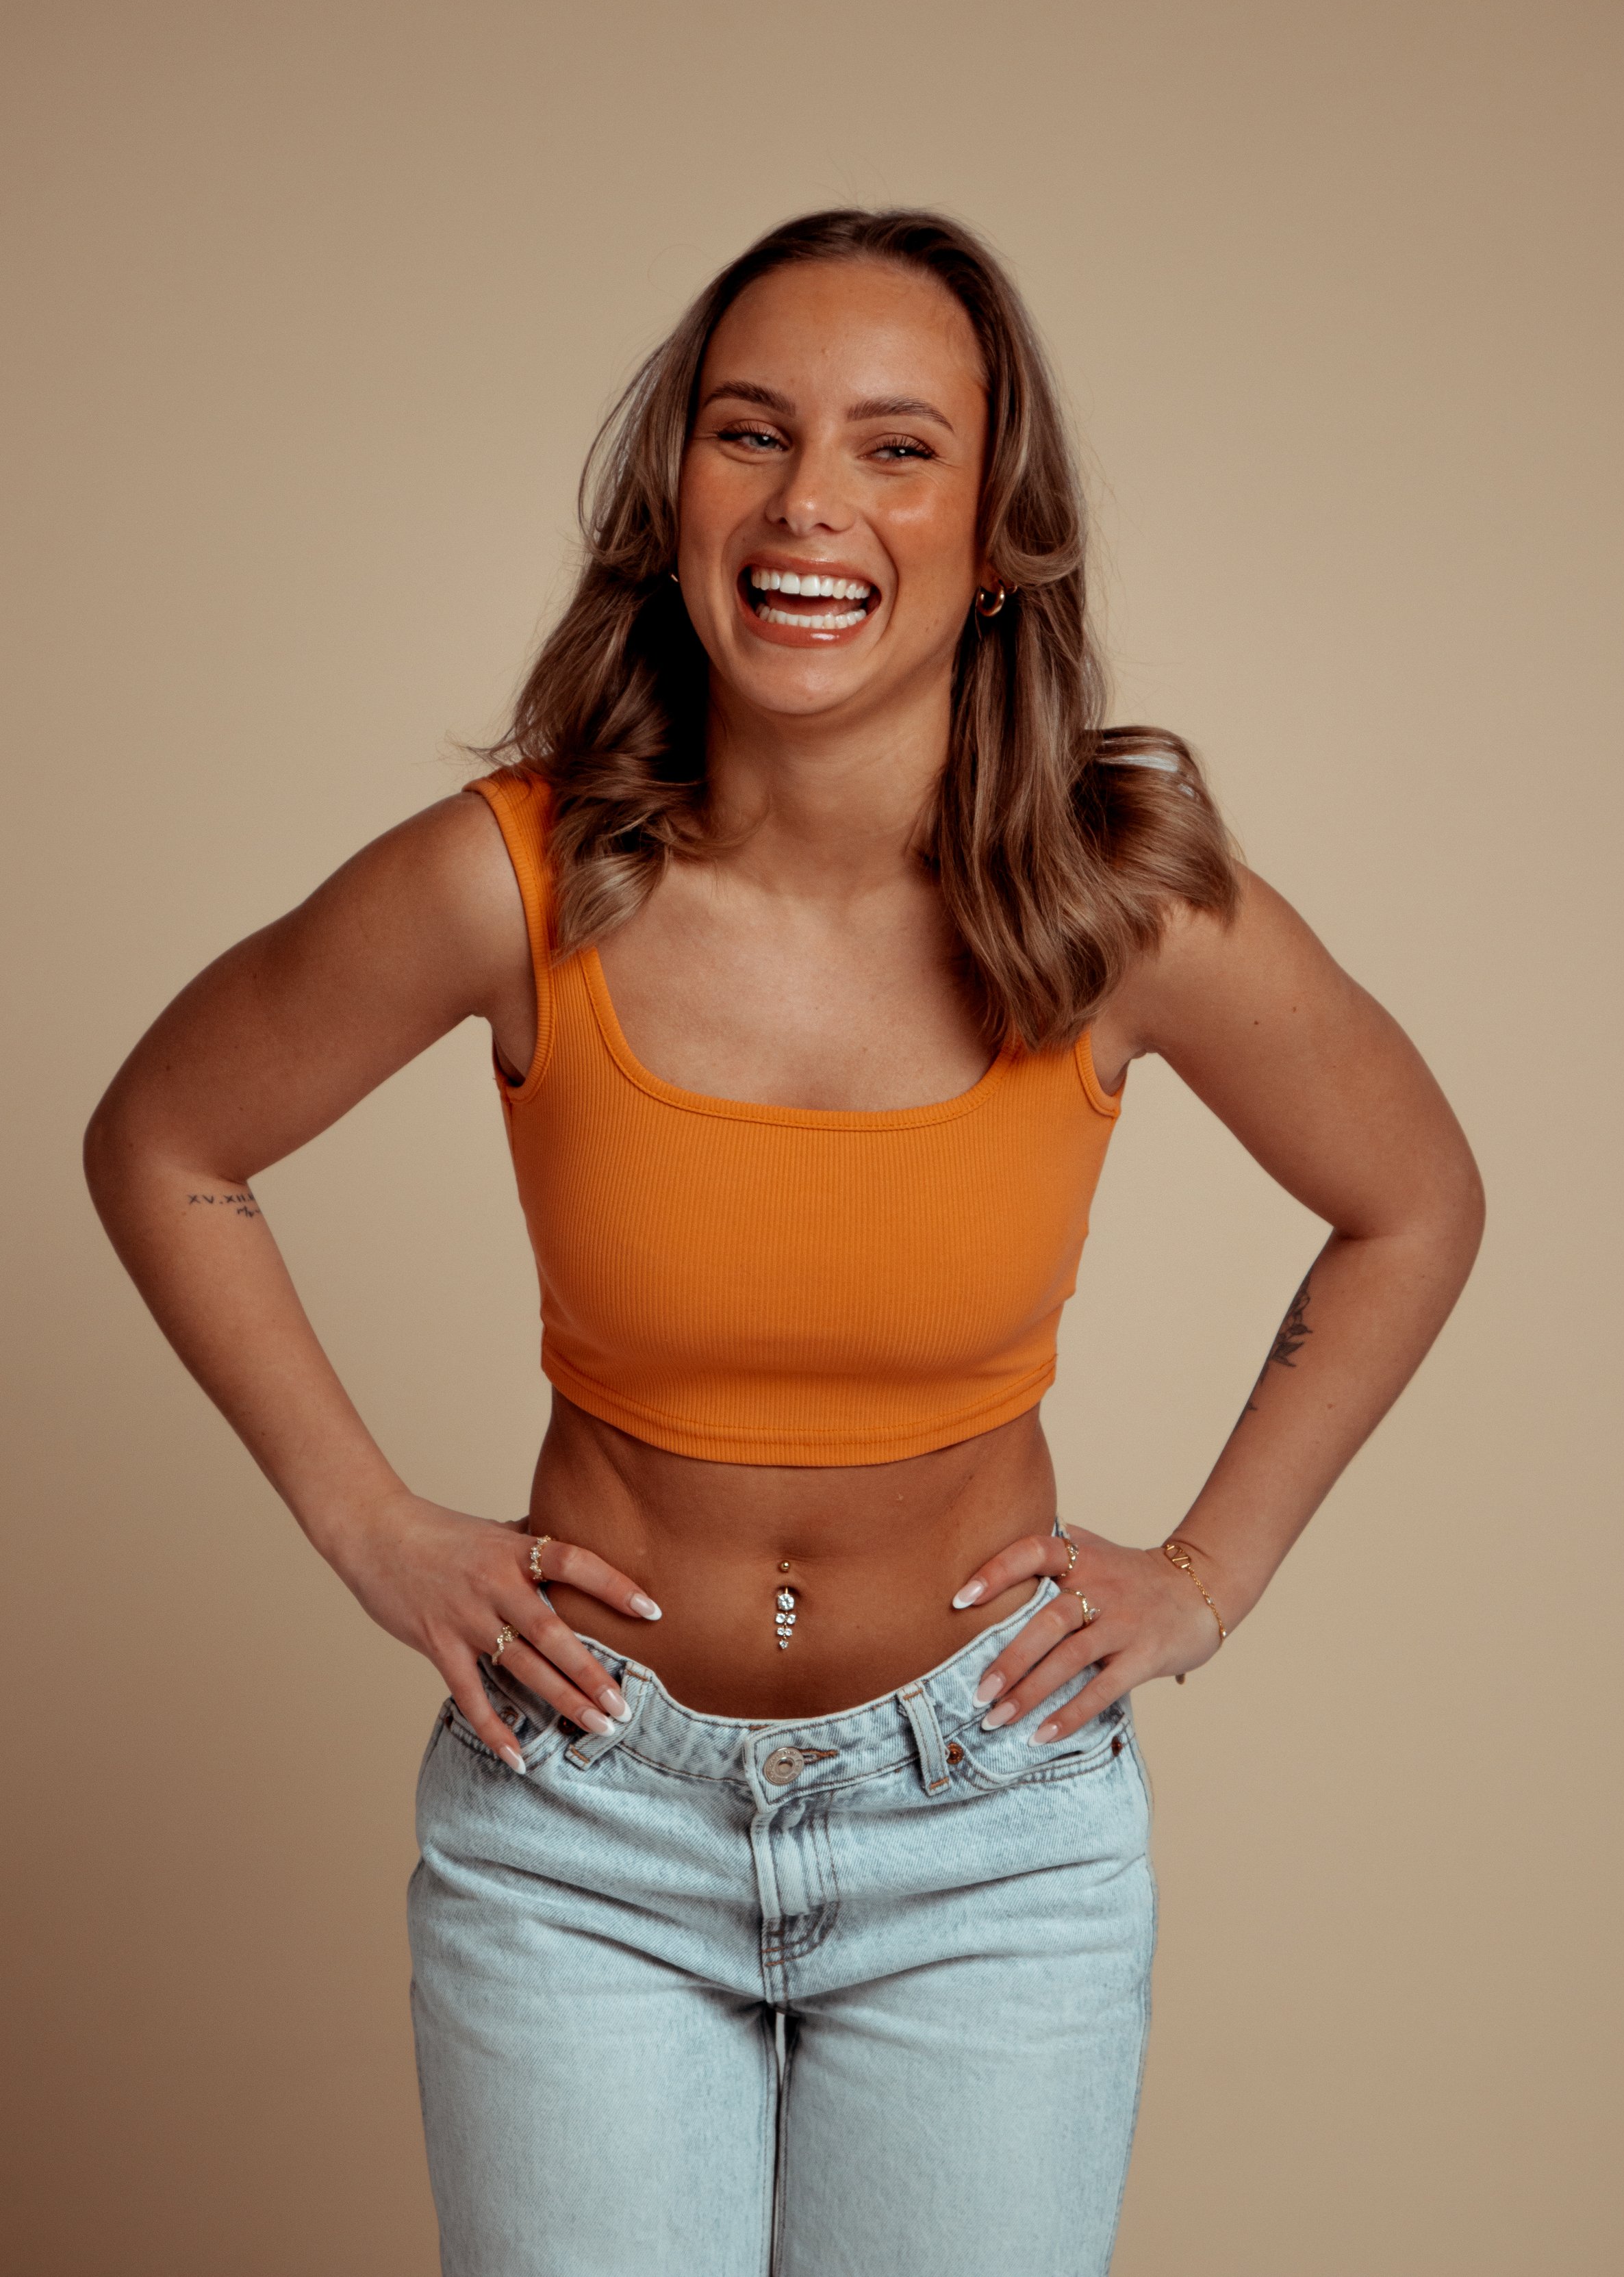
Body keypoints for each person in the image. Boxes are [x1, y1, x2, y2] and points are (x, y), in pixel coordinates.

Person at [85, 207, 1484, 2277]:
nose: (810, 501)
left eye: (895, 448)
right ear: (674, 500)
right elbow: (169, 1142)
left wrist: (1204, 1574)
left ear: (1003, 533)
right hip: (583, 1832)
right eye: (750, 433)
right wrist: (372, 1525)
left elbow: (1410, 1203)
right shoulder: (519, 881)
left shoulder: (1121, 908)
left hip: (991, 1839)